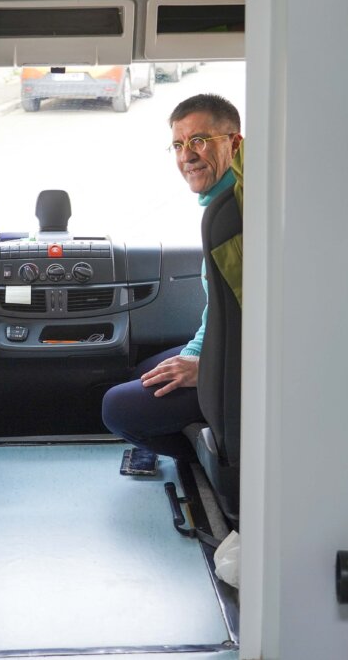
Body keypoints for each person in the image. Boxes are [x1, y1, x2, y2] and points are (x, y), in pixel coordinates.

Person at [100, 94, 242, 461]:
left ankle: (225, 468)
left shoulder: (237, 216)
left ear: (234, 142)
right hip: (224, 352)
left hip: (238, 368)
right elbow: (223, 309)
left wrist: (206, 368)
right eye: (178, 145)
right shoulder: (225, 203)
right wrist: (197, 353)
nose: (186, 156)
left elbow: (256, 322)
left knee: (116, 407)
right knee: (148, 369)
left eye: (199, 141)